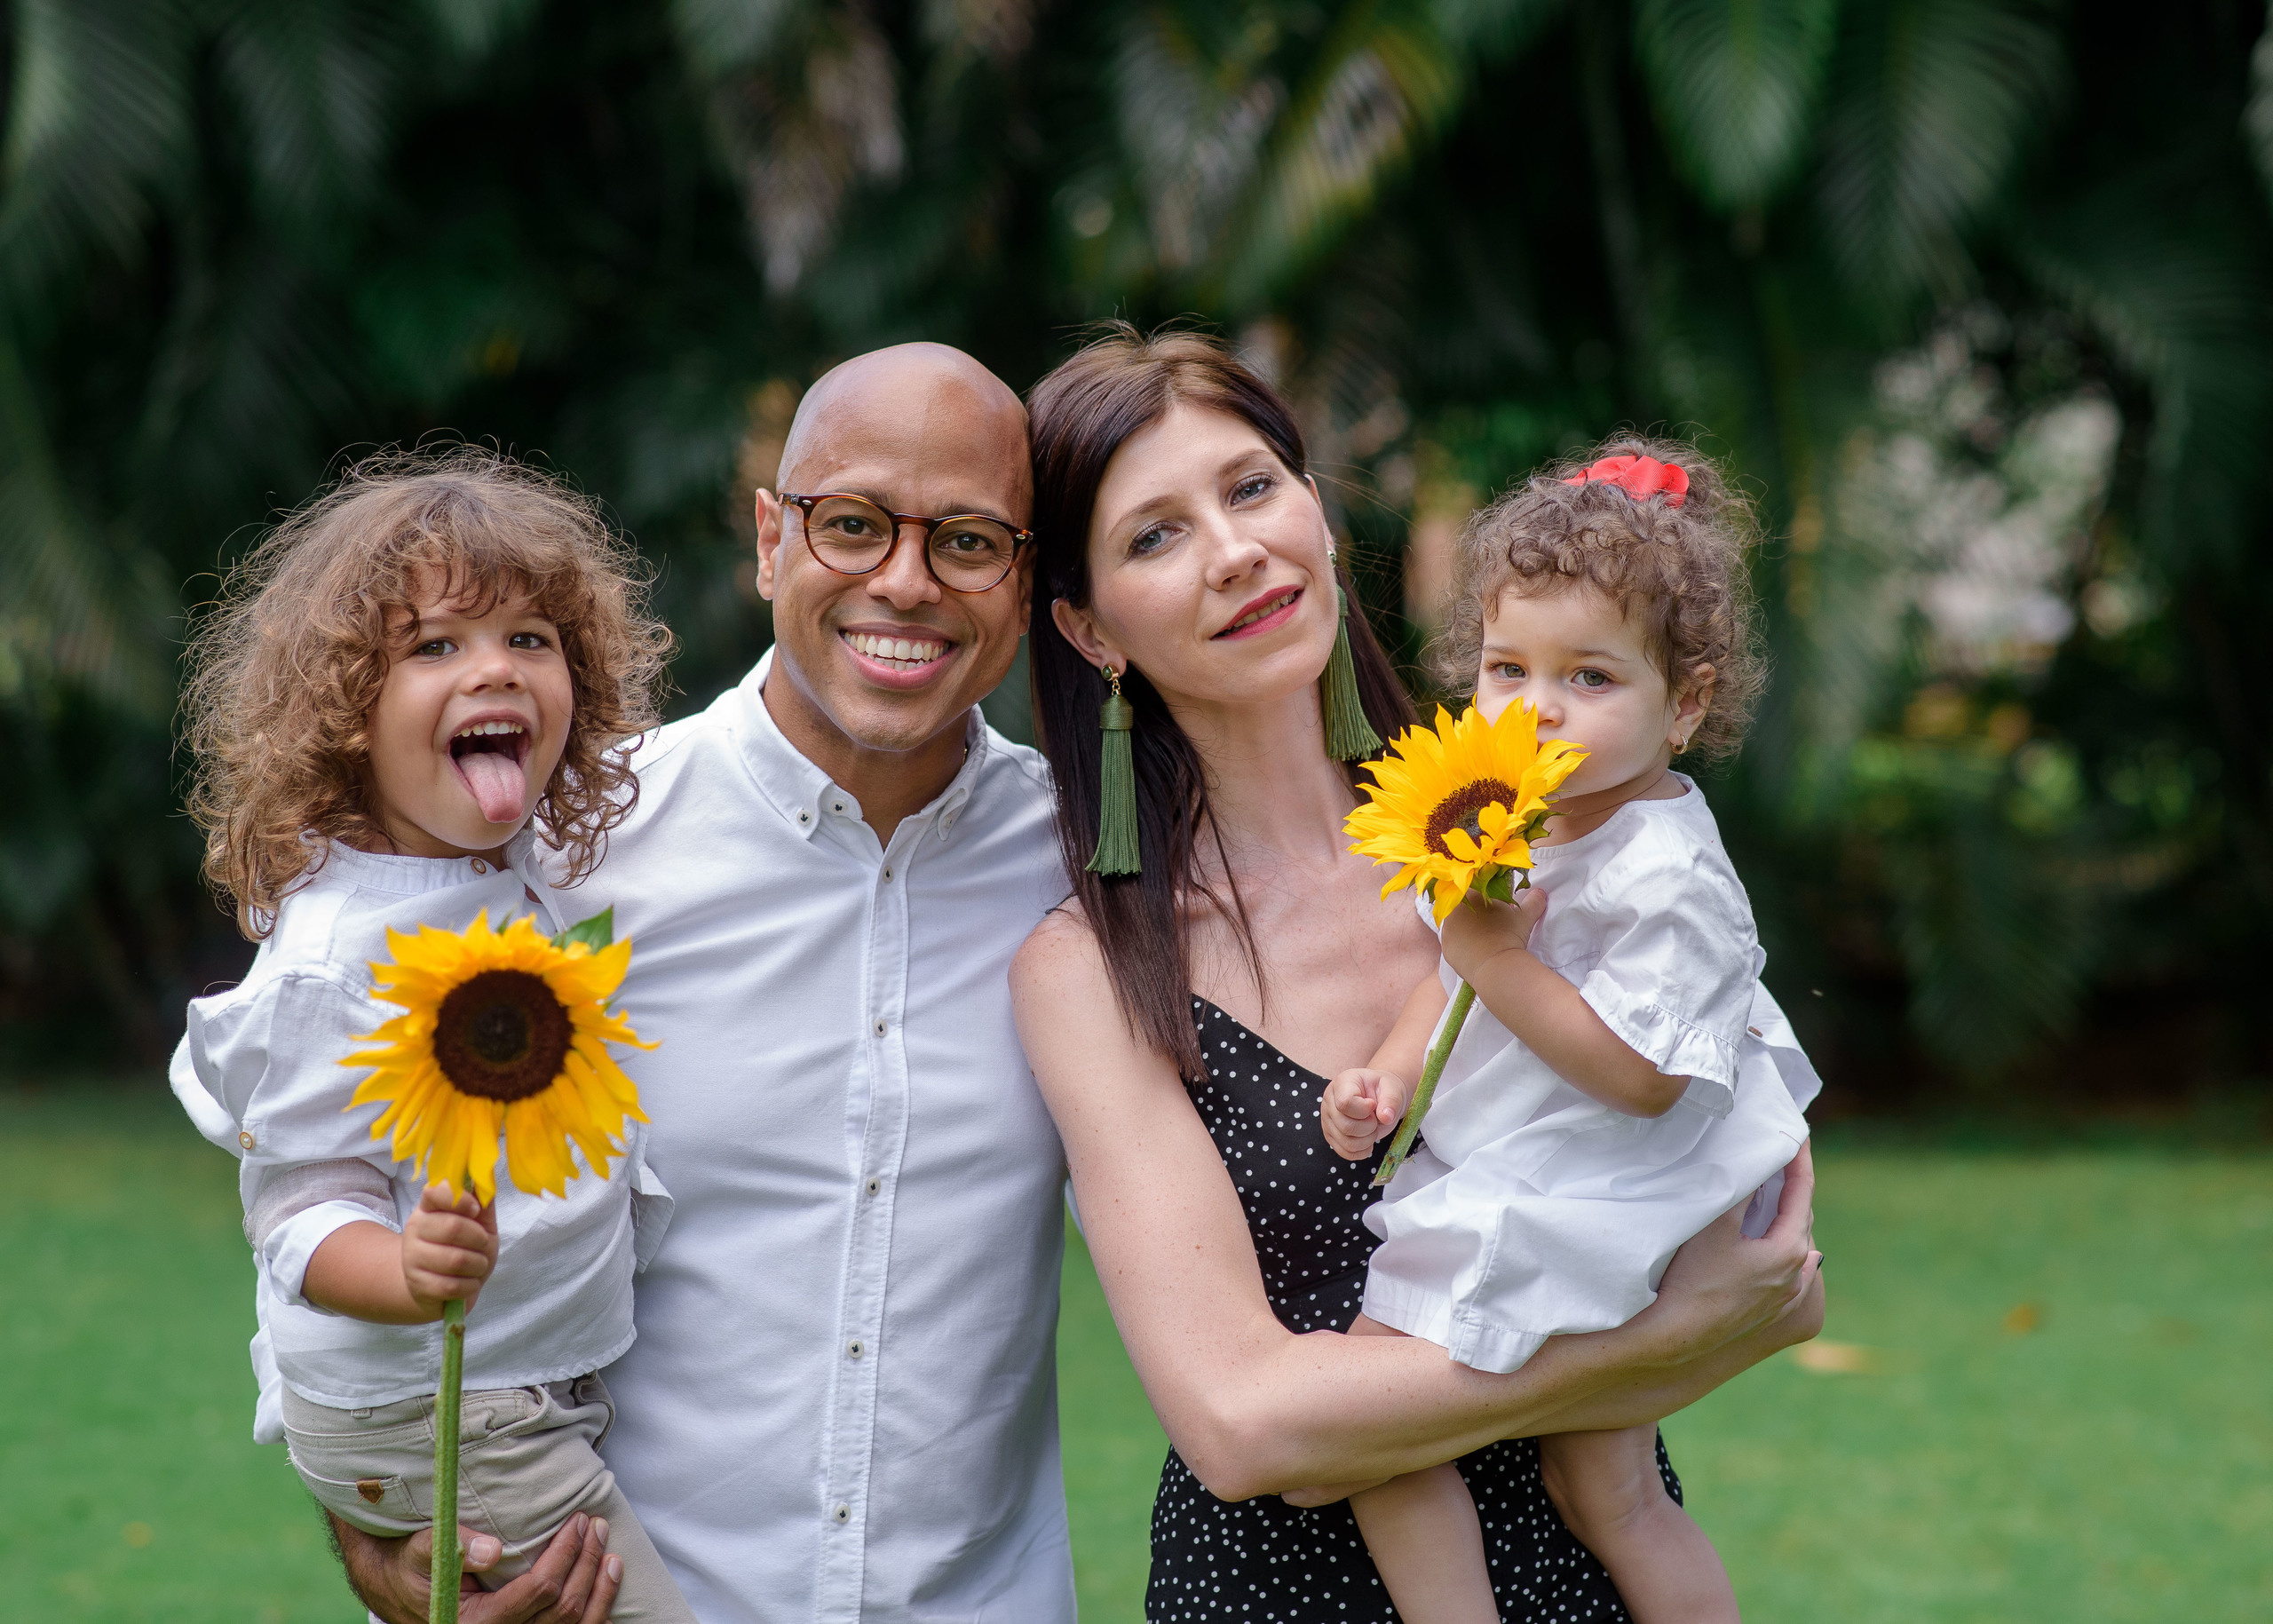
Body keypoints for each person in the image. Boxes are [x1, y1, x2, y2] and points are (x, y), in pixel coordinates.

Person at [1010, 326, 1824, 1622]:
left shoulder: (1552, 825)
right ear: (1087, 626)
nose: (1234, 551)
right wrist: (1656, 1346)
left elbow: (1744, 1201)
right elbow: (1244, 1427)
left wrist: (1714, 1307)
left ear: (1318, 514)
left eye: (1251, 488)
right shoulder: (1094, 969)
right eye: (1154, 536)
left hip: (1588, 1573)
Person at [277, 344, 1077, 1624]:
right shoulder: (564, 858)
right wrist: (379, 1536)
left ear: (1026, 582)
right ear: (770, 539)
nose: (905, 581)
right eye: (853, 523)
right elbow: (322, 1178)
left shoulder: (1090, 874)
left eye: (969, 541)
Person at [169, 450, 693, 1619]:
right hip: (440, 1405)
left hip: (519, 1388)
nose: (493, 667)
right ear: (346, 713)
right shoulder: (337, 951)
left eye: (530, 638)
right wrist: (403, 1273)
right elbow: (297, 1210)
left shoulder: (494, 876)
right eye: (436, 646)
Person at [1317, 440, 1819, 1623]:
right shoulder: (1519, 817)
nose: (1535, 707)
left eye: (1589, 676)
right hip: (1559, 1167)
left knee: (1365, 1422)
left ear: (1685, 703)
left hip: (1602, 1183)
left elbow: (1643, 1078)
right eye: (1507, 668)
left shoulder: (1668, 874)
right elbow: (1451, 979)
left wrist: (1493, 953)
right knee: (1608, 1489)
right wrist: (1384, 1078)